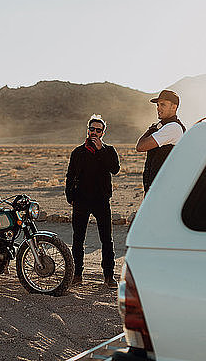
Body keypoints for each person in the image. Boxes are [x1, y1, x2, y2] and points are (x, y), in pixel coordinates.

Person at [65, 115, 120, 289]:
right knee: (78, 239)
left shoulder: (109, 150)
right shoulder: (78, 152)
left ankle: (109, 276)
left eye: (98, 130)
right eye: (92, 129)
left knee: (106, 239)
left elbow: (115, 169)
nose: (94, 133)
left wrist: (101, 150)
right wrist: (70, 197)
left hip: (101, 201)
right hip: (81, 201)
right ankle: (77, 274)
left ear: (103, 133)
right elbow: (70, 175)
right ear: (87, 130)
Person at [135, 90, 186, 193]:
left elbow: (140, 146)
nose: (158, 108)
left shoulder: (173, 127)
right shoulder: (165, 126)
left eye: (163, 105)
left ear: (174, 107)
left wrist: (151, 129)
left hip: (164, 189)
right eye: (157, 105)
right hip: (157, 188)